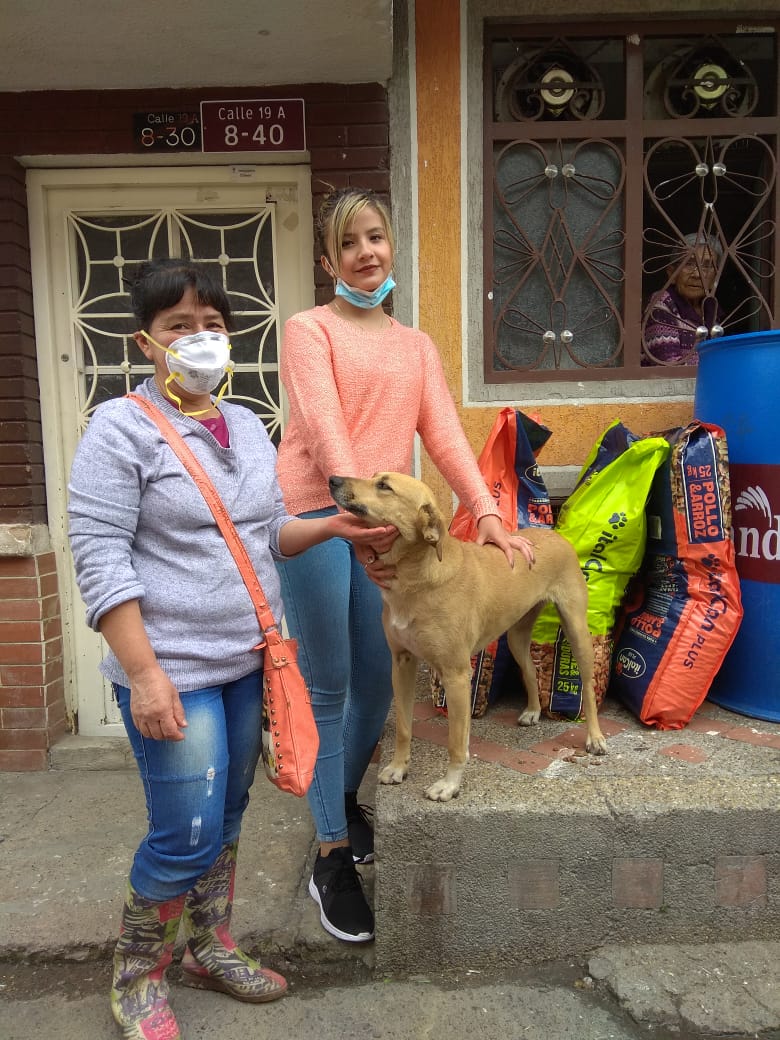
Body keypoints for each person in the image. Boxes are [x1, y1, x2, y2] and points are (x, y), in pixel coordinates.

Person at [67, 258, 390, 1040]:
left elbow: (264, 533)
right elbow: (99, 557)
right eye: (179, 325)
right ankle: (138, 976)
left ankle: (210, 947)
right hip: (171, 671)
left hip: (248, 662)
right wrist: (143, 675)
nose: (200, 338)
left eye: (212, 324)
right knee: (183, 833)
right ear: (147, 342)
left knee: (228, 818)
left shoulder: (245, 423)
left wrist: (330, 526)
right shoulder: (119, 428)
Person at [275, 187, 535, 945]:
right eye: (348, 242)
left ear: (392, 245)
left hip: (384, 531)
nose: (365, 252)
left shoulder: (415, 345)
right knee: (329, 685)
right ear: (328, 259)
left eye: (375, 237)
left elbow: (445, 433)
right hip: (321, 518)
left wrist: (487, 511)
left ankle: (338, 801)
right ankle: (331, 857)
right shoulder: (308, 330)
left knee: (374, 682)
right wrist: (357, 517)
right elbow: (324, 427)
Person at [642, 232, 724, 365]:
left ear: (715, 277)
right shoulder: (662, 305)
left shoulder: (711, 308)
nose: (697, 274)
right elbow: (670, 367)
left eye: (707, 266)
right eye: (689, 264)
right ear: (672, 273)